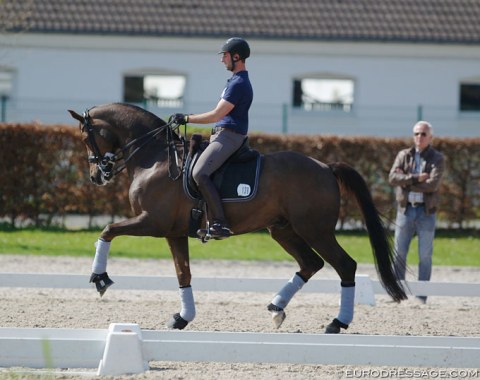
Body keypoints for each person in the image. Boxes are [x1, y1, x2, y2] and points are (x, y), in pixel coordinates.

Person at [171, 37, 253, 239]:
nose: (221, 60)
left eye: (224, 55)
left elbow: (217, 115)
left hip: (229, 136)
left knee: (199, 173)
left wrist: (187, 118)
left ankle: (220, 223)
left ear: (236, 56)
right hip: (222, 134)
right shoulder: (234, 81)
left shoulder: (239, 83)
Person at [388, 121, 445, 303]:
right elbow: (392, 178)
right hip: (405, 210)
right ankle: (397, 294)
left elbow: (433, 185)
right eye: (416, 134)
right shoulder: (403, 155)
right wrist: (416, 178)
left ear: (430, 137)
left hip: (426, 212)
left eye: (423, 134)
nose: (419, 137)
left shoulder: (437, 158)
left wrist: (406, 181)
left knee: (425, 255)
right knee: (399, 253)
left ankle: (422, 296)